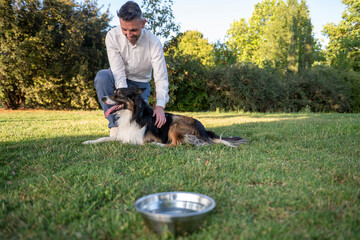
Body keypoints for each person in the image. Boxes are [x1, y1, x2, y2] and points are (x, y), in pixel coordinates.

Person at [94, 1, 169, 137]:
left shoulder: (154, 43)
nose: (129, 35)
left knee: (141, 120)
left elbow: (161, 77)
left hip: (140, 86)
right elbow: (118, 72)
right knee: (102, 77)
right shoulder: (112, 36)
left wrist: (160, 107)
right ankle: (116, 128)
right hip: (118, 80)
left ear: (143, 23)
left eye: (133, 30)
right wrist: (122, 99)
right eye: (124, 29)